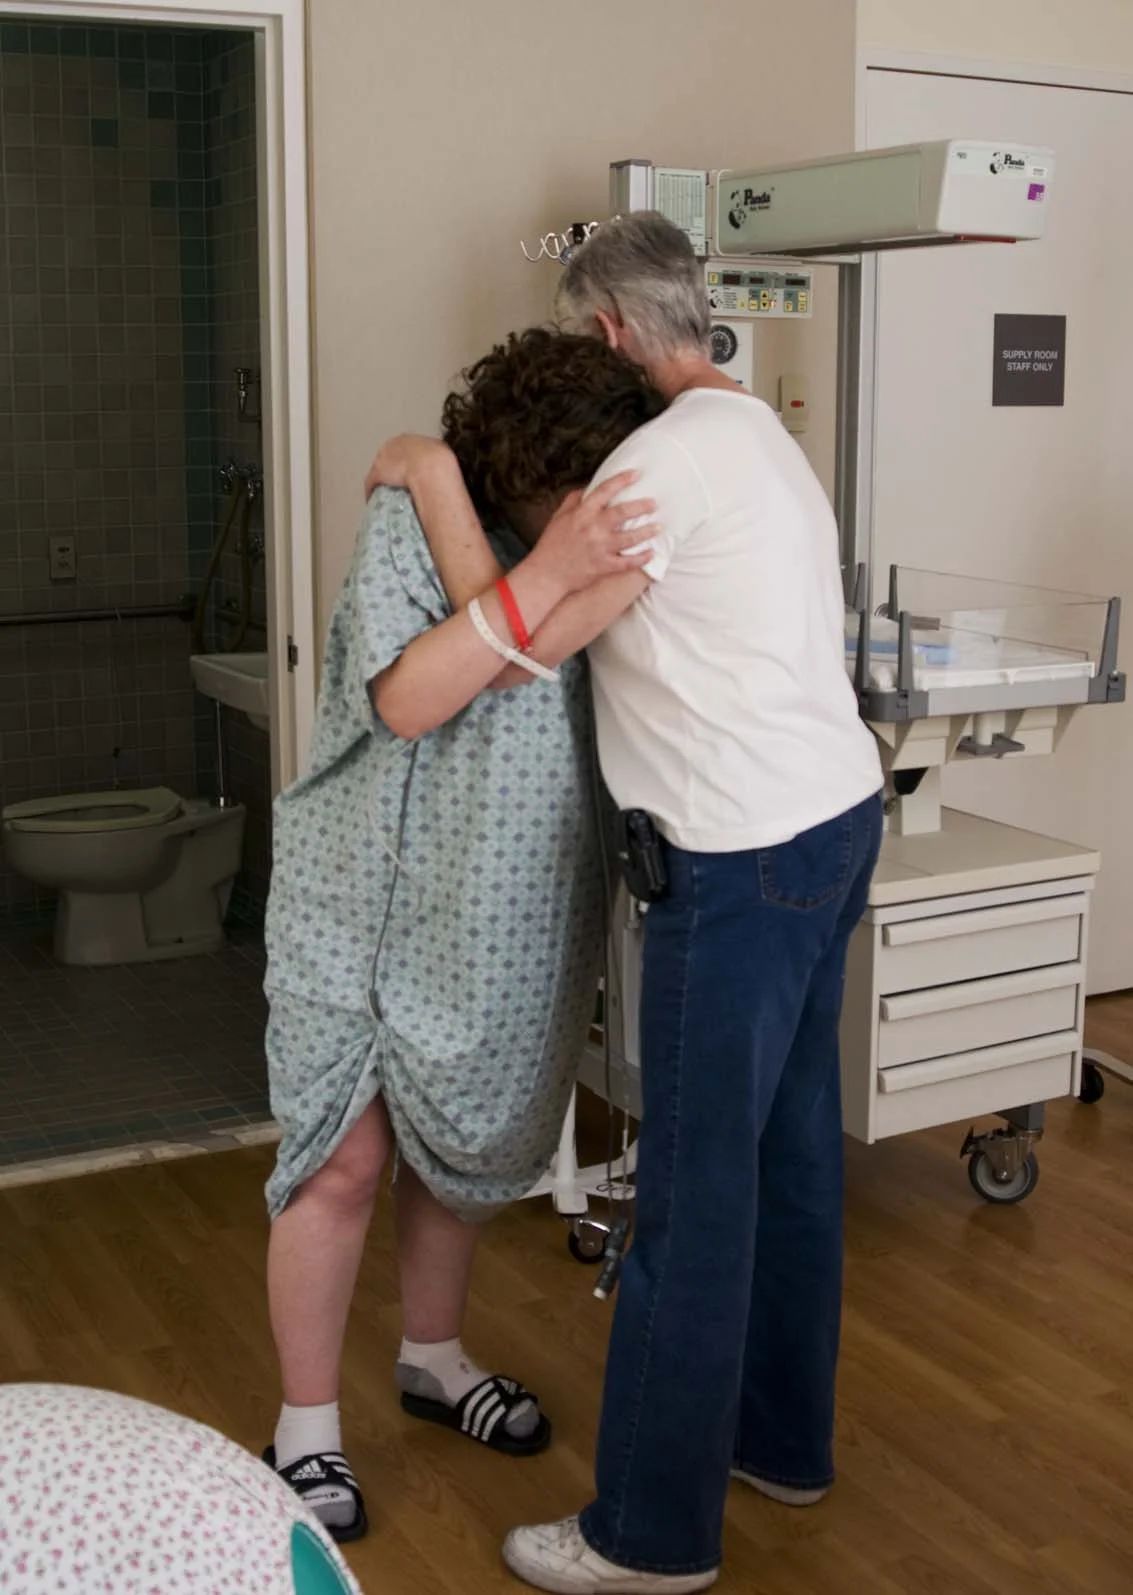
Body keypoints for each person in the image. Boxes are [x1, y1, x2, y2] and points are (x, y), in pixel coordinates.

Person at [365, 214, 885, 1594]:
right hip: (835, 822)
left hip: (740, 859)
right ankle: (779, 1442)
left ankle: (647, 1535)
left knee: (694, 1197)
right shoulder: (759, 431)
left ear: (605, 328)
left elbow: (517, 645)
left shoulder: (651, 468)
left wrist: (430, 474)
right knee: (791, 1161)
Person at [263, 327, 664, 1544]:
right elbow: (408, 696)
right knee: (341, 1159)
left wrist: (480, 503)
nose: (589, 508)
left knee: (457, 1154)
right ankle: (302, 1427)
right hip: (364, 887)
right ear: (530, 476)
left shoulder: (606, 541)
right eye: (571, 493)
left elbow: (525, 662)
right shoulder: (412, 526)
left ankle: (430, 1358)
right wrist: (454, 496)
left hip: (505, 903)